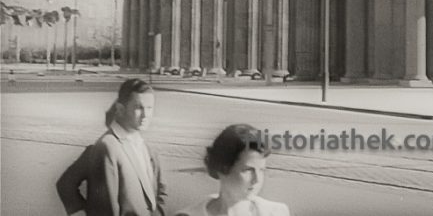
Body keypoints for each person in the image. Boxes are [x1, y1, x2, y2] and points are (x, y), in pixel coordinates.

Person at [56, 79, 166, 216]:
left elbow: (159, 191)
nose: (146, 115)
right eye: (139, 107)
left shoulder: (146, 147)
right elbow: (105, 207)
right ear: (120, 109)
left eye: (150, 108)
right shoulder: (107, 146)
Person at [176, 124, 290, 216]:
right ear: (223, 167)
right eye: (248, 170)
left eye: (261, 170)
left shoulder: (276, 212)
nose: (257, 180)